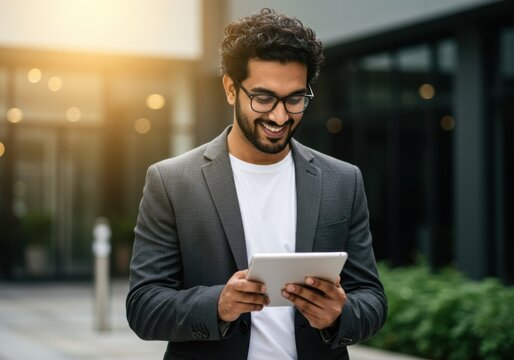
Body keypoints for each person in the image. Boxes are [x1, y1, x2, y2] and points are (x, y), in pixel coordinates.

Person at [126, 8, 387, 360]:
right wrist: (218, 304)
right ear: (231, 89)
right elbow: (144, 307)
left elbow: (371, 298)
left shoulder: (342, 181)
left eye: (295, 99)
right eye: (263, 98)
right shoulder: (172, 181)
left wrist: (341, 315)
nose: (280, 116)